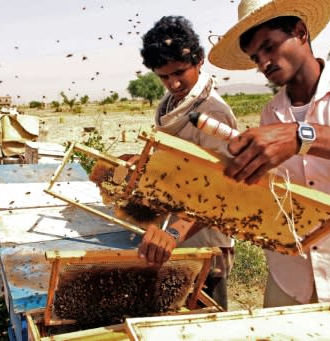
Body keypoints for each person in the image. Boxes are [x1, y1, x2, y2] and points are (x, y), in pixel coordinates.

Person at [205, 0, 330, 338]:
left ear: (301, 32)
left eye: (269, 47)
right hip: (287, 281)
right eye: (255, 58)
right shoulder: (270, 114)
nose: (264, 63)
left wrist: (302, 136)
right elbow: (276, 191)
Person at [134, 15, 238, 311]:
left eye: (180, 72)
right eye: (164, 77)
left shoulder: (212, 112)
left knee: (205, 319)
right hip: (173, 233)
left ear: (200, 60)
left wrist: (174, 233)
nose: (173, 83)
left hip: (205, 240)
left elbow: (223, 188)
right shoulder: (169, 106)